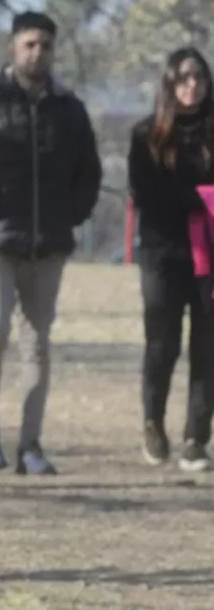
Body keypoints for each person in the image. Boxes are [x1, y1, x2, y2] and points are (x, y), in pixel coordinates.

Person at [0, 11, 103, 476]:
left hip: (48, 245)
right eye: (30, 44)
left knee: (37, 342)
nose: (38, 53)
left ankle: (31, 445)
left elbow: (88, 173)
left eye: (46, 45)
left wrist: (69, 216)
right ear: (13, 48)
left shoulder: (70, 110)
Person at [127, 47, 214, 472]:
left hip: (211, 255)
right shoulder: (147, 136)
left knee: (208, 346)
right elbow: (147, 196)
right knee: (163, 343)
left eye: (199, 76)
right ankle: (152, 421)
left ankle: (197, 438)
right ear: (168, 83)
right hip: (164, 252)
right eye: (183, 77)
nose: (192, 84)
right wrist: (198, 199)